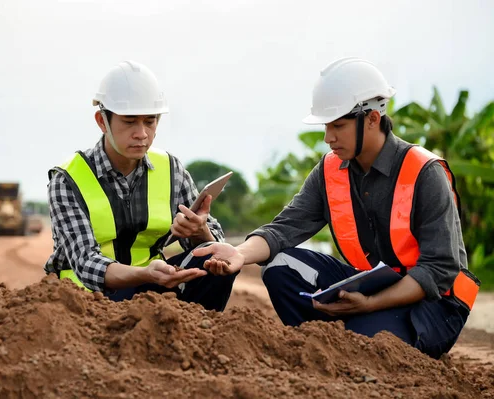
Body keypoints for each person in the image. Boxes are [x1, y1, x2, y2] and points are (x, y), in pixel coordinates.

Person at [193, 57, 480, 358]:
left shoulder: (424, 172)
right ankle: (329, 342)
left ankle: (353, 335)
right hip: (374, 287)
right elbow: (284, 229)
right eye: (326, 126)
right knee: (279, 268)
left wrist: (370, 304)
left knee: (362, 343)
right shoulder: (331, 170)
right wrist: (239, 254)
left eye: (338, 126)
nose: (329, 138)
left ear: (372, 118)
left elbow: (438, 271)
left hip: (434, 304)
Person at [44, 60, 235, 311]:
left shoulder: (171, 170)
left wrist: (199, 231)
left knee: (217, 257)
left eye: (150, 121)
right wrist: (146, 273)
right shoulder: (68, 179)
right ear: (102, 121)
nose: (142, 133)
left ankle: (201, 336)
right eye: (129, 121)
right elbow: (86, 264)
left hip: (151, 286)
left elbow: (213, 244)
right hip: (86, 300)